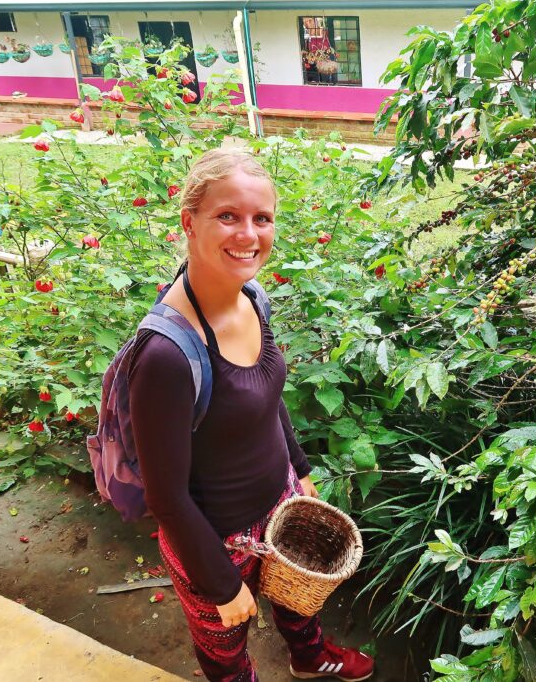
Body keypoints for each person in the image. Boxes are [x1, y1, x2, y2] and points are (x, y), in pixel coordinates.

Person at [128, 149, 374, 682]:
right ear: (189, 222)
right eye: (228, 216)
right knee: (225, 647)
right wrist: (220, 582)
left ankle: (308, 657)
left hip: (279, 496)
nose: (249, 234)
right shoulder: (167, 356)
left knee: (297, 600)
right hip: (213, 538)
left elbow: (266, 394)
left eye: (262, 218)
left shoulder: (252, 297)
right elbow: (165, 497)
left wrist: (299, 466)